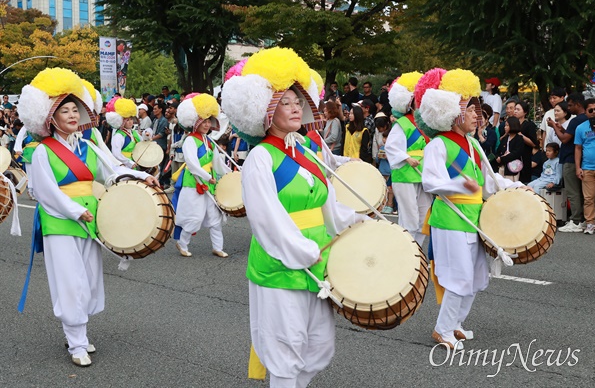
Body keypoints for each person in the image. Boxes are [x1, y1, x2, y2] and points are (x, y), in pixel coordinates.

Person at [221, 47, 367, 388]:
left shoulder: (305, 149)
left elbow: (327, 204)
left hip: (318, 258)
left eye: (297, 101)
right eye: (284, 101)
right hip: (280, 262)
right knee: (285, 352)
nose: (294, 107)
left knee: (319, 347)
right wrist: (299, 249)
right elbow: (266, 217)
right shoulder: (260, 157)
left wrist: (356, 222)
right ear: (265, 110)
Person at [19, 68, 158, 367]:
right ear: (50, 119)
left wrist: (140, 176)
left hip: (91, 217)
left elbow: (113, 170)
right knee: (70, 281)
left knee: (90, 280)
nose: (71, 115)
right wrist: (74, 210)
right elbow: (45, 191)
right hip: (61, 221)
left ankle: (77, 333)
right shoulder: (43, 151)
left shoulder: (89, 145)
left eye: (75, 109)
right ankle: (77, 342)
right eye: (64, 110)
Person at [418, 69, 525, 351]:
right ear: (454, 114)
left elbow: (488, 179)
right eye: (471, 110)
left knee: (477, 276)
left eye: (477, 110)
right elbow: (429, 181)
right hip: (450, 218)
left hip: (476, 218)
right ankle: (442, 329)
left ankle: (455, 323)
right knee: (459, 276)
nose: (478, 116)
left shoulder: (474, 142)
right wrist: (459, 186)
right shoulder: (438, 144)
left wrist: (514, 187)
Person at [172, 93, 230, 258]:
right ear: (195, 122)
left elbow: (218, 163)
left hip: (208, 183)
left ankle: (217, 247)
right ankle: (182, 243)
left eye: (208, 121)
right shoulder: (190, 140)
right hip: (193, 183)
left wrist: (230, 174)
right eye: (203, 121)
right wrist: (207, 176)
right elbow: (191, 164)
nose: (206, 124)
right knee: (194, 217)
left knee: (215, 217)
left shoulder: (209, 141)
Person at [386, 71, 432, 246]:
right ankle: (406, 250)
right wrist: (406, 158)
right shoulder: (403, 123)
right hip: (406, 173)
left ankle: (417, 250)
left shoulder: (426, 124)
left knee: (423, 215)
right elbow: (391, 146)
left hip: (422, 172)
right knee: (409, 216)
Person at [550, 93, 587, 233]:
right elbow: (570, 135)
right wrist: (560, 128)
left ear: (578, 104)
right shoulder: (584, 120)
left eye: (570, 105)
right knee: (581, 192)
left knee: (573, 192)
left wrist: (553, 126)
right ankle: (582, 219)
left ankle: (576, 220)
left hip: (571, 159)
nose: (569, 108)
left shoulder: (576, 120)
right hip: (580, 159)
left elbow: (565, 139)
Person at [574, 106, 595, 235]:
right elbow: (578, 148)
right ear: (586, 112)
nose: (594, 112)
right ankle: (590, 223)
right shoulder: (581, 127)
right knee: (589, 198)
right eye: (591, 110)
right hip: (587, 167)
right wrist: (578, 167)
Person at [106, 97, 140, 168]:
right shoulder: (118, 135)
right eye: (127, 120)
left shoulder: (133, 132)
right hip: (124, 166)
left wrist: (147, 136)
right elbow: (116, 154)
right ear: (121, 121)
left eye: (131, 119)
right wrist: (129, 162)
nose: (130, 122)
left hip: (134, 164)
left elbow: (142, 142)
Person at [495, 117, 525, 182]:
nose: (505, 127)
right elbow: (498, 151)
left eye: (507, 125)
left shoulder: (519, 138)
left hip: (513, 169)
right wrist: (497, 157)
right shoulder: (505, 138)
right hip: (503, 168)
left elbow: (516, 154)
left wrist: (502, 159)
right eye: (505, 125)